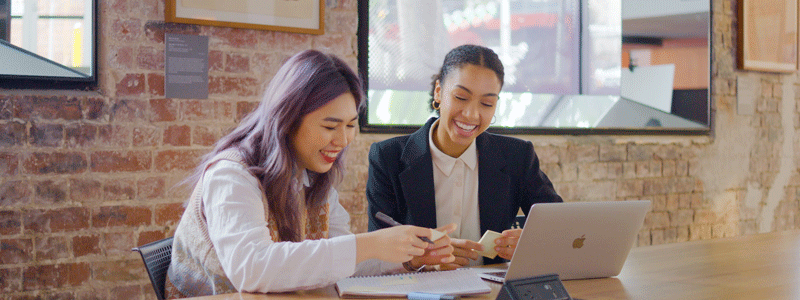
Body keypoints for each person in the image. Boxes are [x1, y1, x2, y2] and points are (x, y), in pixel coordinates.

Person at [165, 50, 456, 298]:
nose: (342, 141)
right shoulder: (232, 175)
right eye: (330, 127)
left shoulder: (312, 175)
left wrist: (406, 258)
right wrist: (368, 244)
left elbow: (343, 261)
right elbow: (251, 269)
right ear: (288, 119)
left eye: (350, 125)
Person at [366, 44, 563, 271]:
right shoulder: (388, 157)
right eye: (461, 97)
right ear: (439, 92)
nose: (471, 114)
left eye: (487, 103)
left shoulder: (517, 156)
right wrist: (417, 259)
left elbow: (558, 225)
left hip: (491, 292)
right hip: (420, 290)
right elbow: (376, 251)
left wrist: (532, 243)